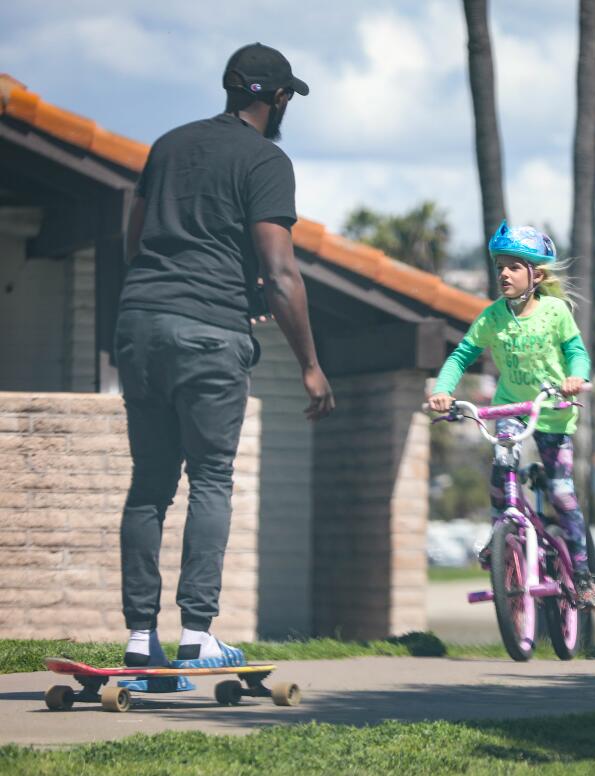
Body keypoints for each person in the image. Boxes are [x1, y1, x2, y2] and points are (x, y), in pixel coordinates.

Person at [117, 43, 334, 668]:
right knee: (209, 478)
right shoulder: (266, 160)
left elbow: (137, 241)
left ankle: (138, 638)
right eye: (288, 95)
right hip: (209, 334)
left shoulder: (168, 145)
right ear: (277, 97)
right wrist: (310, 366)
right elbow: (281, 272)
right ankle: (197, 635)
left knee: (149, 485)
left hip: (141, 325)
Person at [428, 222, 595, 609]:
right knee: (501, 470)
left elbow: (577, 351)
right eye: (500, 267)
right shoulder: (492, 318)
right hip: (511, 410)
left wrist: (577, 376)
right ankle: (502, 533)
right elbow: (461, 356)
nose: (503, 274)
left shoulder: (556, 312)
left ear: (535, 275)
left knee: (561, 494)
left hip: (553, 413)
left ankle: (584, 575)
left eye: (513, 267)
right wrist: (443, 390)